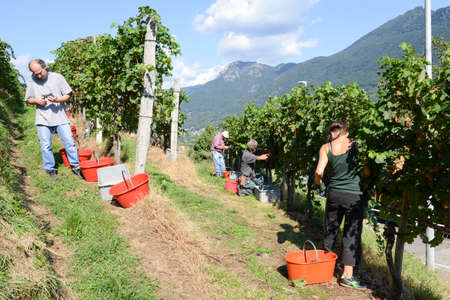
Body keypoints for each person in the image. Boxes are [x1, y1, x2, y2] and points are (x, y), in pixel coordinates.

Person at [314, 120, 365, 289]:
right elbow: (366, 170)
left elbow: (319, 172)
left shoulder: (326, 147)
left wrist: (320, 184)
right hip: (354, 195)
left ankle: (327, 267)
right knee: (351, 234)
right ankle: (347, 276)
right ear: (346, 131)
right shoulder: (356, 145)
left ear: (332, 132)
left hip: (335, 193)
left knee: (331, 228)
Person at [25, 59, 82, 179]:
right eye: (36, 74)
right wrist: (36, 101)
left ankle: (76, 167)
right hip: (42, 119)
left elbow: (68, 95)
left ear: (45, 67)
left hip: (60, 117)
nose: (39, 76)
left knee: (70, 142)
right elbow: (28, 99)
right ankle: (50, 169)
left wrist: (58, 100)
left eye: (40, 72)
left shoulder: (58, 78)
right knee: (45, 145)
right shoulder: (31, 81)